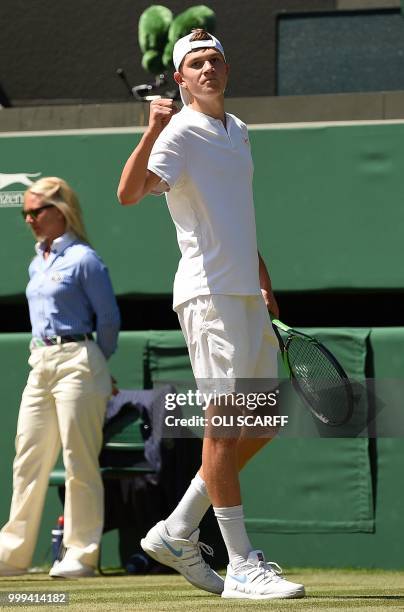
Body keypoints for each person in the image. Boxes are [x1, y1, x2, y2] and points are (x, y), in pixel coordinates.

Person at [117, 30, 305, 600]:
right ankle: (242, 563)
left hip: (245, 292)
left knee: (266, 416)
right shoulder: (177, 134)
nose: (208, 69)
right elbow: (129, 193)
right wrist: (151, 129)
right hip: (208, 295)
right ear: (180, 78)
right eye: (196, 63)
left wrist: (263, 279)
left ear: (227, 69)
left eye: (215, 60)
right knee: (224, 427)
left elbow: (236, 218)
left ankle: (178, 530)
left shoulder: (239, 132)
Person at [0, 177, 120, 579]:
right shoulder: (37, 261)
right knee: (27, 459)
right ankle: (12, 555)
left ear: (61, 210)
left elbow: (108, 320)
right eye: (26, 214)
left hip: (79, 359)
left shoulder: (85, 259)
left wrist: (94, 364)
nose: (30, 219)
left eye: (37, 211)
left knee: (78, 460)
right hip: (41, 362)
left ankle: (81, 556)